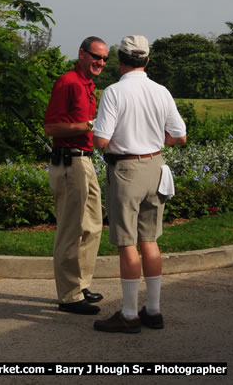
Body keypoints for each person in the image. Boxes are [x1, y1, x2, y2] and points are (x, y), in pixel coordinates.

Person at [91, 35, 187, 334]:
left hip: (126, 170)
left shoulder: (114, 92)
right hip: (155, 166)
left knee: (127, 244)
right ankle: (154, 310)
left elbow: (101, 140)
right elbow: (179, 136)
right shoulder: (161, 91)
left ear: (120, 61)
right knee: (150, 241)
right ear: (146, 60)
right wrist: (156, 141)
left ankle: (130, 313)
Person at [43, 36, 109, 315]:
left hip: (85, 162)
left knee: (93, 226)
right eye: (96, 56)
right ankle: (69, 296)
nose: (101, 63)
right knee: (70, 231)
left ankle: (81, 284)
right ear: (82, 54)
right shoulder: (68, 82)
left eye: (104, 59)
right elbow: (50, 127)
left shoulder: (88, 86)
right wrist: (83, 126)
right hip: (69, 163)